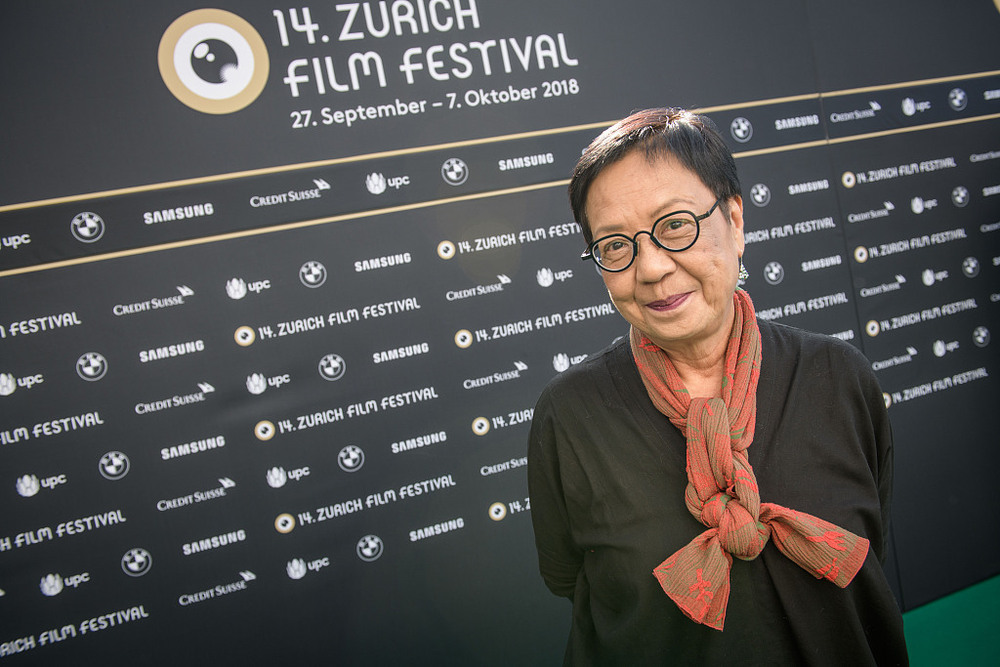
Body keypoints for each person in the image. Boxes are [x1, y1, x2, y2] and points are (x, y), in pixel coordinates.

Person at [527, 108, 908, 665]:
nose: (651, 268)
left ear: (734, 219)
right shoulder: (570, 414)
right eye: (615, 245)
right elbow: (565, 576)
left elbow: (873, 529)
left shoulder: (837, 377)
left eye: (675, 225)